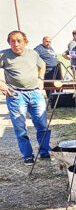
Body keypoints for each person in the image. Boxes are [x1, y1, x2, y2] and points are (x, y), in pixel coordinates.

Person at [0, 31, 51, 164]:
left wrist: (41, 78)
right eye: (12, 41)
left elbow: (42, 65)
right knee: (20, 127)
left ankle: (44, 152)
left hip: (34, 93)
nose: (16, 44)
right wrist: (1, 84)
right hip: (16, 95)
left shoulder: (32, 53)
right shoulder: (4, 55)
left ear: (25, 42)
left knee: (42, 124)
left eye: (19, 41)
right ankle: (27, 155)